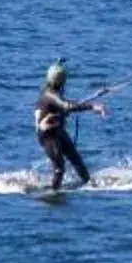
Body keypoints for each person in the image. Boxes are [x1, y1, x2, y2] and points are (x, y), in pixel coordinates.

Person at [33, 62, 105, 191]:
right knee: (59, 168)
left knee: (77, 161)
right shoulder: (49, 95)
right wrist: (92, 106)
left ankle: (90, 185)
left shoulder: (52, 93)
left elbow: (65, 106)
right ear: (61, 82)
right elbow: (67, 106)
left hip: (58, 131)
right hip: (48, 135)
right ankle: (53, 193)